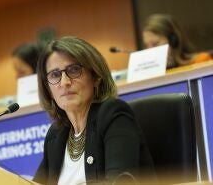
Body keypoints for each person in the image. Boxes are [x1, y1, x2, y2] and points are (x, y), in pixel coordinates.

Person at [33, 36, 155, 185]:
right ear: (48, 89)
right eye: (55, 75)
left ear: (96, 76)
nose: (64, 82)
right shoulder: (56, 134)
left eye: (74, 70)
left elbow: (119, 182)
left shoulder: (113, 115)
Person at [142, 13, 212, 69]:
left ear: (173, 40)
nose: (150, 51)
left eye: (155, 44)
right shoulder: (151, 73)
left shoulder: (202, 61)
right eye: (147, 46)